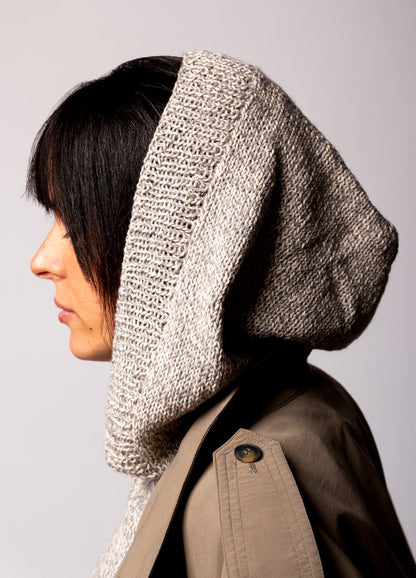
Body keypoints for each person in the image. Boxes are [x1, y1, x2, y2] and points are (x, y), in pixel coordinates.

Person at [28, 51, 416, 577]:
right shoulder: (285, 407)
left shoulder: (247, 487)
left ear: (179, 251)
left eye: (75, 224)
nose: (41, 261)